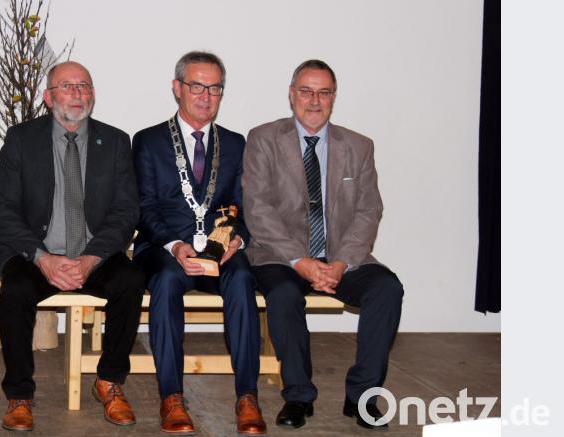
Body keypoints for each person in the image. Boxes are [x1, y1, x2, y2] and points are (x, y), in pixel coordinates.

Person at [243, 59, 404, 430]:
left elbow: (369, 210)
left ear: (333, 97)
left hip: (339, 257)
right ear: (291, 95)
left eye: (324, 92)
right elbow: (257, 208)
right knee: (284, 295)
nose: (314, 101)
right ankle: (298, 397)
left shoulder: (359, 146)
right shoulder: (263, 139)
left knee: (387, 289)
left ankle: (362, 397)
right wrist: (300, 260)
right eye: (306, 91)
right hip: (280, 256)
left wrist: (341, 263)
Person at [0, 61, 144, 432]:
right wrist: (43, 259)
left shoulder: (116, 141)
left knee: (131, 280)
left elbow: (126, 212)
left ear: (93, 94)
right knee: (15, 290)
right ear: (48, 97)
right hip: (38, 253)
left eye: (84, 86)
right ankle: (19, 395)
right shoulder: (22, 139)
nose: (77, 93)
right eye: (67, 86)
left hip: (95, 253)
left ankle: (109, 381)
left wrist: (91, 258)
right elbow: (2, 211)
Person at [132, 51, 266, 436]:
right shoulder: (148, 141)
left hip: (218, 252)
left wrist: (236, 238)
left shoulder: (236, 144)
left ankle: (247, 396)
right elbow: (144, 207)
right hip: (164, 249)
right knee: (166, 281)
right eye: (196, 86)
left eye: (215, 88)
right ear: (177, 88)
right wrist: (175, 245)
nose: (206, 96)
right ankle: (172, 396)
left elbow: (242, 205)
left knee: (242, 279)